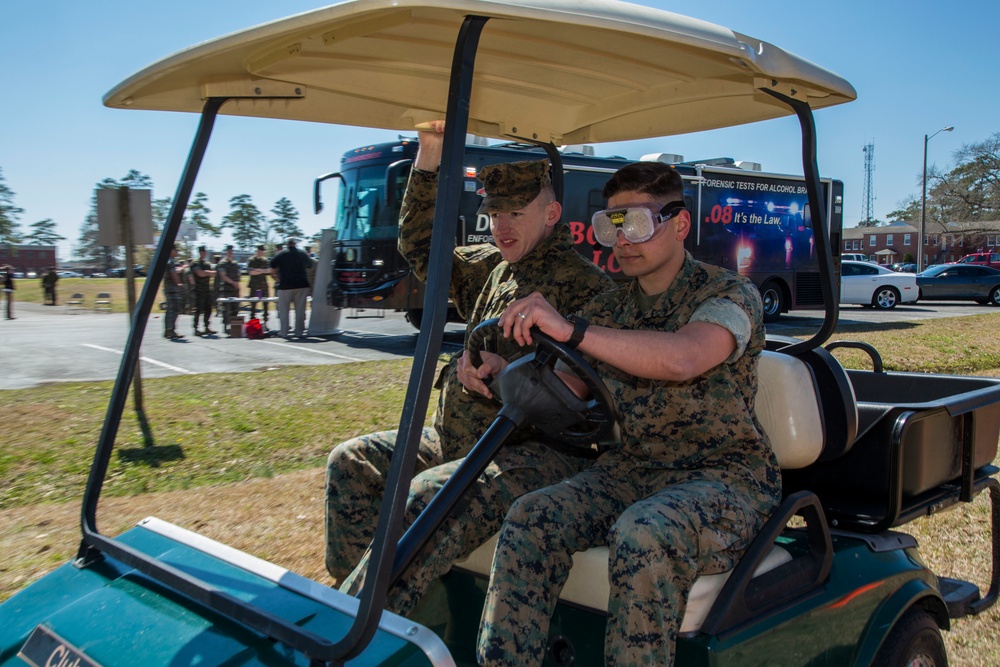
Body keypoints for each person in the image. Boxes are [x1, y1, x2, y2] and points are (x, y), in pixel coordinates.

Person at [461, 162, 780, 666]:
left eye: (635, 223)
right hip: (630, 472)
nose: (621, 240)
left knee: (644, 532)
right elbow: (568, 385)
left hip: (723, 478)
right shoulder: (611, 309)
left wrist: (573, 331)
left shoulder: (726, 294)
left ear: (678, 224)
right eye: (610, 225)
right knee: (531, 516)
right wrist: (498, 372)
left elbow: (683, 357)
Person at [328, 120, 615, 586]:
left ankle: (362, 629)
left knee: (427, 497)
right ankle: (364, 607)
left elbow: (582, 404)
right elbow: (420, 246)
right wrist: (429, 154)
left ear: (551, 213)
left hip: (528, 452)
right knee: (351, 462)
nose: (500, 226)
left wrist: (504, 379)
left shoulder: (589, 289)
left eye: (515, 214)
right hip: (457, 437)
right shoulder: (491, 267)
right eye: (493, 212)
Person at [269, 238, 314, 338]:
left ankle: (284, 332)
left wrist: (277, 279)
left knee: (284, 310)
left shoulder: (280, 254)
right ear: (295, 244)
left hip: (285, 285)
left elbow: (272, 269)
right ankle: (299, 332)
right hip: (301, 284)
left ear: (286, 244)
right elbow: (310, 265)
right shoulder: (302, 253)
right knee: (300, 310)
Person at [189, 246, 217, 336]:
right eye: (202, 252)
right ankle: (196, 328)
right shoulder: (195, 263)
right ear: (199, 252)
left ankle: (207, 327)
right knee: (198, 310)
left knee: (208, 309)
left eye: (205, 252)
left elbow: (213, 274)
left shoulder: (207, 264)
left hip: (207, 289)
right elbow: (200, 273)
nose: (204, 254)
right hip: (198, 290)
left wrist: (207, 272)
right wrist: (208, 273)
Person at [215, 245, 242, 333]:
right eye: (229, 251)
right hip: (226, 288)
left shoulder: (235, 263)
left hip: (235, 289)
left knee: (235, 308)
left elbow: (239, 274)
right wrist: (233, 283)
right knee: (226, 309)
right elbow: (223, 276)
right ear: (226, 252)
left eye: (231, 251)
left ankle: (235, 327)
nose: (230, 253)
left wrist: (237, 282)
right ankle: (226, 326)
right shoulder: (222, 263)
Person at [163, 244, 185, 340]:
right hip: (172, 289)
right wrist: (178, 283)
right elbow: (173, 273)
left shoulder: (167, 260)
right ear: (171, 250)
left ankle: (168, 330)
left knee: (170, 310)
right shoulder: (171, 261)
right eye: (176, 250)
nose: (177, 252)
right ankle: (170, 330)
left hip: (168, 288)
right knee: (174, 309)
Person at [246, 245, 272, 326]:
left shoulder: (265, 260)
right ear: (257, 251)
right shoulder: (252, 260)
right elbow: (250, 272)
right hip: (255, 286)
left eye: (262, 251)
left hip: (263, 286)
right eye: (260, 251)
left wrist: (259, 270)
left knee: (265, 304)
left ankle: (265, 322)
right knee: (254, 304)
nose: (261, 252)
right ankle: (252, 323)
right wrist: (262, 271)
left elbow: (269, 270)